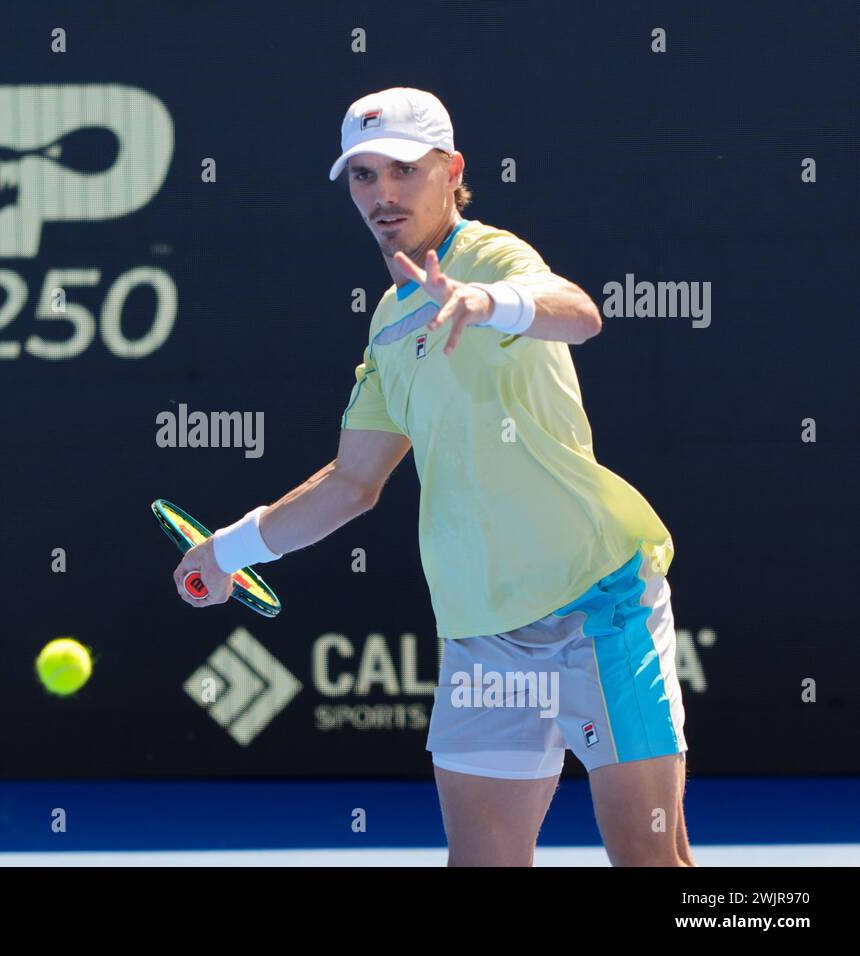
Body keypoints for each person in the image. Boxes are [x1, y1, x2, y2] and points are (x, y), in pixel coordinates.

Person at [171, 87, 694, 866]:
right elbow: (352, 484)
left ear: (452, 171)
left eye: (405, 172)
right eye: (363, 176)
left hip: (601, 605)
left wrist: (487, 303)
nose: (383, 195)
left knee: (650, 864)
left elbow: (579, 312)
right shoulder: (388, 324)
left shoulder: (490, 256)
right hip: (482, 635)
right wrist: (227, 551)